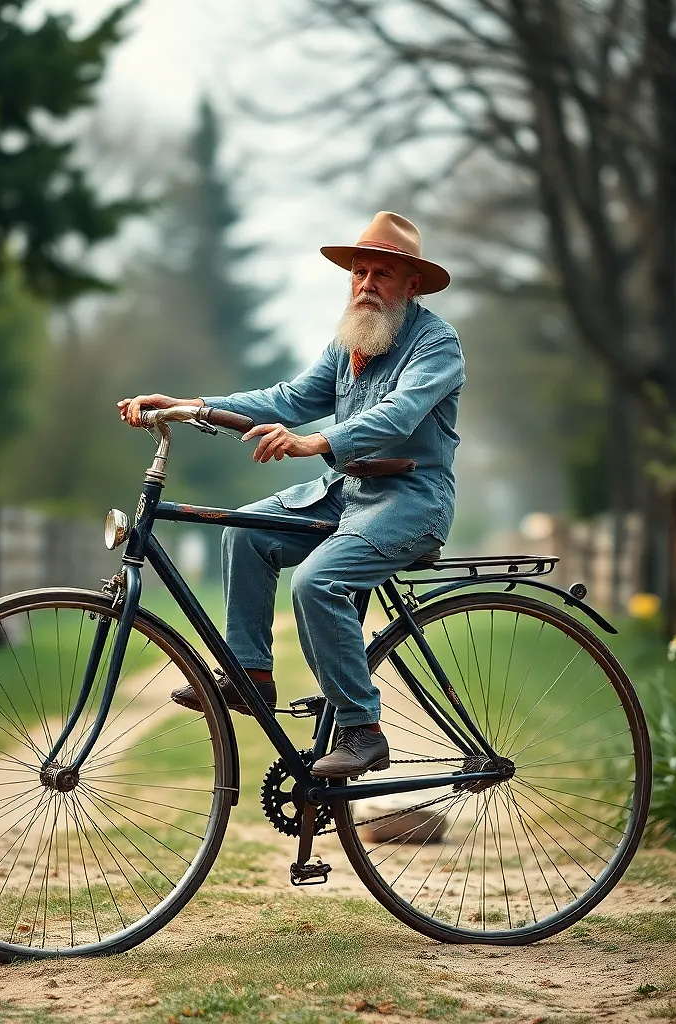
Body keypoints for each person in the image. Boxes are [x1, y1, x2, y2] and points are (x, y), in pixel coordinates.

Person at [117, 211, 465, 779]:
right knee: (245, 531)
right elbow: (290, 398)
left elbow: (399, 414)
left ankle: (362, 729)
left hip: (410, 501)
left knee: (316, 582)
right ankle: (249, 674)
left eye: (382, 274)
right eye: (359, 272)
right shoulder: (350, 342)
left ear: (412, 285)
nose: (366, 285)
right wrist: (191, 406)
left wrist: (315, 443)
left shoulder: (437, 344)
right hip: (349, 490)